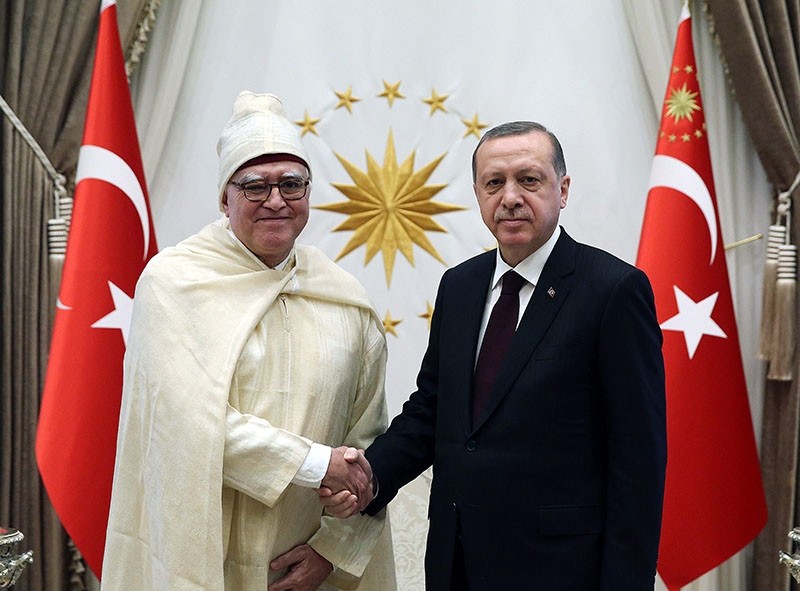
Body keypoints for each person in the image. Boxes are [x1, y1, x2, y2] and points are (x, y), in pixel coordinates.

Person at [321, 121, 667, 590]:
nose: (510, 197)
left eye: (529, 179)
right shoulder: (460, 286)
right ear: (478, 194)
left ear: (562, 190)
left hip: (563, 571)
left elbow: (638, 462)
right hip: (456, 561)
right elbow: (433, 410)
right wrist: (370, 477)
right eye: (494, 182)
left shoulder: (613, 291)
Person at [101, 91, 396, 591]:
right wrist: (316, 464)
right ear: (224, 197)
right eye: (254, 186)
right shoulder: (174, 283)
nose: (276, 200)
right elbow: (188, 420)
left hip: (303, 566)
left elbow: (365, 439)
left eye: (292, 184)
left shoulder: (344, 297)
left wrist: (333, 548)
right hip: (201, 554)